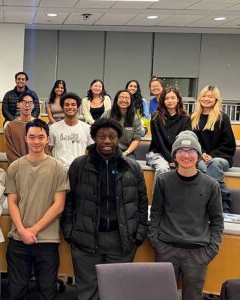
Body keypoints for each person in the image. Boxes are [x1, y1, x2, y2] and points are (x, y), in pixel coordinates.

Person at [62, 118, 148, 300]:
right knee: (88, 292)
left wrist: (139, 233)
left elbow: (141, 202)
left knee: (117, 291)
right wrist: (69, 232)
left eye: (112, 137)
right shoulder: (79, 165)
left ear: (118, 139)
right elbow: (69, 202)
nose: (107, 141)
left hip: (122, 240)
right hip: (85, 239)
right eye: (101, 137)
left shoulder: (132, 167)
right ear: (94, 138)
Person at [149, 131, 224, 300]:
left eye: (191, 151)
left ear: (198, 155)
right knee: (163, 296)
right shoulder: (163, 180)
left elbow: (217, 221)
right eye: (181, 151)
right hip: (166, 250)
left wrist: (211, 251)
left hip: (198, 253)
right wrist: (157, 243)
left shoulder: (211, 185)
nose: (186, 155)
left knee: (193, 297)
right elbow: (156, 214)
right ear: (175, 155)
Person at [5, 118, 69, 300]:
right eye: (32, 137)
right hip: (18, 239)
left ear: (47, 139)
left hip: (47, 240)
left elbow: (59, 205)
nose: (36, 141)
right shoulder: (15, 167)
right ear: (25, 138)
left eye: (41, 137)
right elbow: (12, 202)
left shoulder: (58, 168)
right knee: (16, 292)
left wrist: (33, 230)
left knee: (47, 292)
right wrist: (22, 231)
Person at [191, 85, 236, 213]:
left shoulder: (222, 117)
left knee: (214, 164)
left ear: (216, 99)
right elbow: (194, 141)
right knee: (200, 165)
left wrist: (212, 155)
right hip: (200, 156)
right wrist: (203, 154)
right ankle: (221, 204)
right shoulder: (194, 118)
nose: (206, 99)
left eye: (210, 97)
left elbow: (228, 144)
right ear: (200, 98)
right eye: (204, 96)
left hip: (221, 157)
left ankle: (215, 204)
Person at [146, 87, 191, 179]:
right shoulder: (156, 117)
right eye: (166, 98)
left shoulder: (185, 118)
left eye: (173, 98)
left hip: (178, 154)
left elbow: (185, 140)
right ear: (162, 101)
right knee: (163, 169)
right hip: (157, 153)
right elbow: (158, 142)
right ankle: (158, 194)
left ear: (178, 99)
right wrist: (171, 159)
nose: (170, 101)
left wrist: (177, 158)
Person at [49, 92, 93, 168]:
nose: (70, 107)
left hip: (80, 170)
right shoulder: (53, 128)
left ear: (78, 107)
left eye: (73, 105)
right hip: (59, 170)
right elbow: (48, 150)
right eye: (67, 105)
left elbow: (90, 150)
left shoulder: (87, 128)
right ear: (62, 107)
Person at [101, 89, 143, 159]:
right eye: (121, 97)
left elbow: (136, 139)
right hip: (106, 149)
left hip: (126, 151)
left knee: (130, 165)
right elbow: (98, 133)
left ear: (131, 101)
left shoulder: (135, 118)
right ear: (116, 100)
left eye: (127, 98)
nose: (124, 100)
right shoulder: (107, 115)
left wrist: (126, 153)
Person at [4, 93, 35, 164]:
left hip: (36, 167)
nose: (27, 105)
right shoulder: (10, 126)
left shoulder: (39, 125)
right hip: (17, 167)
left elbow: (44, 149)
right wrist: (22, 165)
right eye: (24, 102)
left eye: (30, 103)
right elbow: (10, 152)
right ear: (18, 104)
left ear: (33, 105)